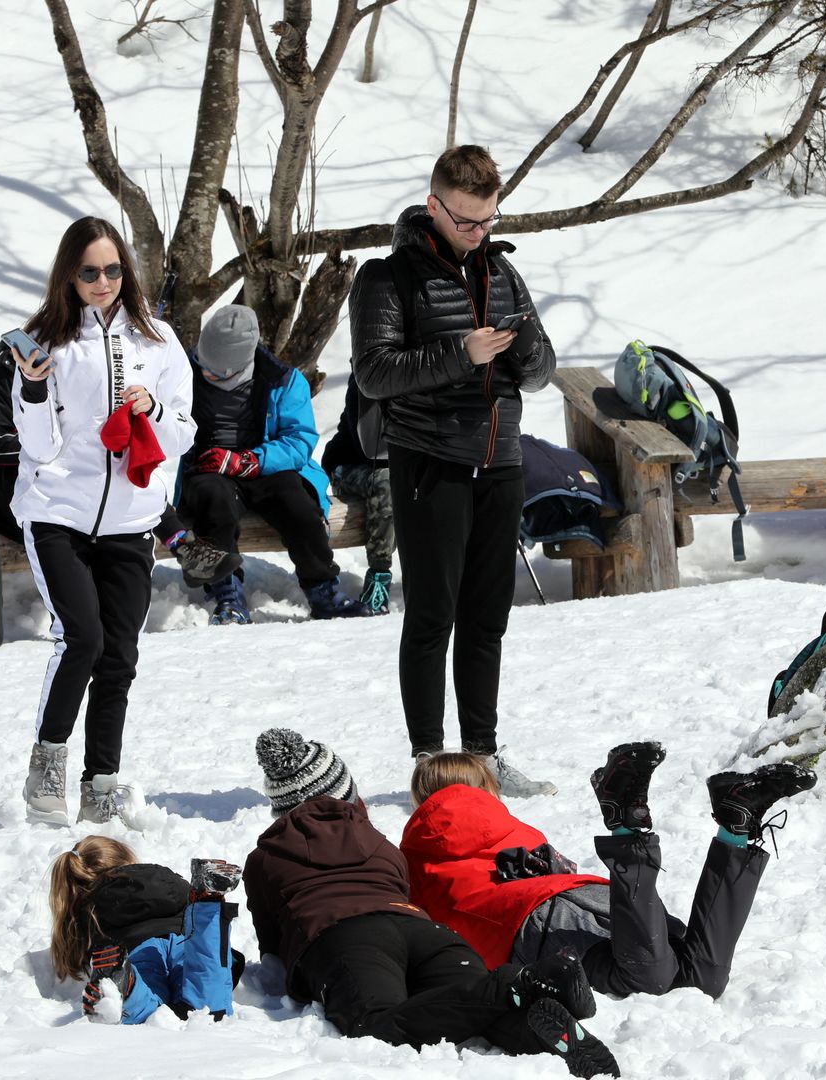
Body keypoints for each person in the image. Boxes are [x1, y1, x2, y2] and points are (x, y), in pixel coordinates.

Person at [348, 144, 557, 795]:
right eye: (465, 221)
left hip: (501, 460)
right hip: (428, 462)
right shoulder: (387, 278)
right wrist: (459, 354)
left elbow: (544, 368)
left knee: (487, 617)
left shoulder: (503, 273)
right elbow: (375, 373)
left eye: (487, 220)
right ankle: (430, 763)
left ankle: (484, 757)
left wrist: (521, 346)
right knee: (432, 615)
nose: (477, 233)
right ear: (434, 206)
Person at [242, 728, 620, 1078]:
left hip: (345, 939)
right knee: (478, 1015)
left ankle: (517, 984)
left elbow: (273, 951)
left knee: (374, 1023)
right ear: (347, 792)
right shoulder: (380, 844)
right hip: (426, 933)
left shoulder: (267, 857)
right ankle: (536, 1027)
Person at [12, 215, 197, 826]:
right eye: (89, 270)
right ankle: (47, 766)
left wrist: (156, 407)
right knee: (82, 638)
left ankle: (103, 782)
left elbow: (181, 434)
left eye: (113, 269)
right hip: (58, 513)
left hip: (130, 521)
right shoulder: (46, 342)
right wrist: (34, 391)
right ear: (69, 273)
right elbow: (38, 447)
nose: (102, 281)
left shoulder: (159, 341)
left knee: (119, 653)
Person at [401, 742, 817, 1000]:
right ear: (487, 791)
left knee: (652, 979)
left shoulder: (414, 857)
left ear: (423, 797)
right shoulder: (510, 826)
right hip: (599, 898)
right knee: (703, 977)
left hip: (534, 926)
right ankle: (735, 825)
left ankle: (626, 823)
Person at [0, 342, 238, 583]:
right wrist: (53, 446)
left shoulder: (77, 363)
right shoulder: (8, 370)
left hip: (77, 487)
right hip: (11, 491)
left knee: (117, 471)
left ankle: (184, 546)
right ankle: (180, 545)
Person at [175, 304, 363, 625]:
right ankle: (225, 591)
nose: (208, 375)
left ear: (245, 363)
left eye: (219, 373)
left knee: (297, 504)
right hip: (209, 468)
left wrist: (246, 461)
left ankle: (322, 588)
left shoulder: (283, 381)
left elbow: (299, 441)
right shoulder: (184, 373)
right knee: (212, 501)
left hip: (265, 465)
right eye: (204, 366)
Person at [48, 836, 245, 1024]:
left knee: (151, 1006)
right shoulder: (162, 879)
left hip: (135, 946)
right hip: (182, 938)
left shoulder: (90, 905)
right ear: (128, 861)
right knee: (206, 1007)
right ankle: (208, 903)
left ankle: (126, 987)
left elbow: (74, 954)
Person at [319, 374, 395, 616]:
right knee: (388, 483)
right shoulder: (369, 372)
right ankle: (379, 578)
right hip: (351, 464)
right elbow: (372, 448)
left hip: (397, 465)